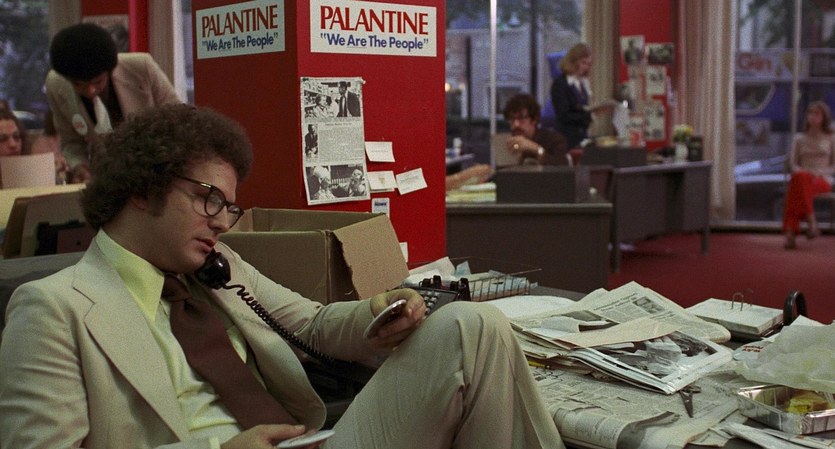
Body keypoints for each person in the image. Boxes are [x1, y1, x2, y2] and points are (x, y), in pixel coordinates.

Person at [0, 104, 564, 449]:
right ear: (143, 188)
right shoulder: (53, 309)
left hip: (310, 442)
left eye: (229, 208)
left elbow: (313, 325)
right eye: (209, 199)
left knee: (472, 326)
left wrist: (376, 312)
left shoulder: (217, 269)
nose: (221, 222)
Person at [46, 22, 181, 182]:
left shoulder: (142, 68)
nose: (90, 91)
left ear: (109, 71)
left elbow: (178, 119)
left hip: (156, 167)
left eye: (98, 82)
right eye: (78, 84)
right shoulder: (55, 84)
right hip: (105, 175)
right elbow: (71, 142)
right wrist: (79, 166)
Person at [782, 101, 835, 249]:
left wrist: (819, 173)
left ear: (824, 117)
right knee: (800, 178)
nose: (812, 116)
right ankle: (811, 222)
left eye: (817, 113)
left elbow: (834, 165)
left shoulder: (831, 137)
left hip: (822, 179)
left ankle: (791, 234)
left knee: (796, 188)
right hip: (803, 176)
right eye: (810, 113)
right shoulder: (799, 138)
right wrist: (802, 171)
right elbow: (793, 164)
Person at [550, 43, 613, 150]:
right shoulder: (560, 83)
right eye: (583, 63)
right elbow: (563, 115)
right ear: (573, 61)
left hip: (581, 137)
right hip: (566, 139)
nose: (586, 67)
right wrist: (590, 115)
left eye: (589, 64)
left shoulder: (582, 83)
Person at [502, 93, 568, 165]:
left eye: (521, 118)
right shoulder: (506, 141)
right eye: (512, 119)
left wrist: (537, 149)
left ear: (534, 120)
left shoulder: (554, 140)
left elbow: (562, 167)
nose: (516, 124)